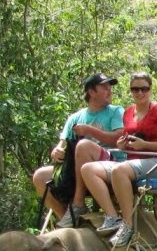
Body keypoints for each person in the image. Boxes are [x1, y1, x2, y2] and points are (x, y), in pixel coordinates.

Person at [80, 72, 157, 247]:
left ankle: (128, 226)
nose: (140, 93)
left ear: (150, 89)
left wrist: (145, 145)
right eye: (135, 89)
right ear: (130, 91)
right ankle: (112, 217)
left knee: (120, 170)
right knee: (88, 169)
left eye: (144, 89)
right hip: (132, 163)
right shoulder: (128, 112)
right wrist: (121, 144)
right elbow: (125, 140)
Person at [32, 73, 125, 227]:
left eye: (110, 88)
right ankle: (68, 219)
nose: (109, 91)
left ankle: (78, 204)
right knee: (39, 176)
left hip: (111, 163)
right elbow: (62, 144)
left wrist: (89, 131)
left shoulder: (116, 111)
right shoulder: (75, 117)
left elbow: (118, 138)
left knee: (83, 146)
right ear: (91, 92)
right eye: (104, 88)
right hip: (76, 169)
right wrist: (57, 151)